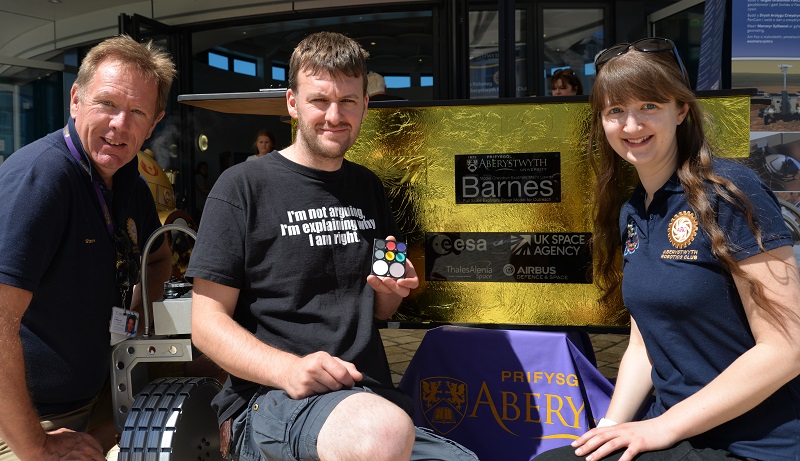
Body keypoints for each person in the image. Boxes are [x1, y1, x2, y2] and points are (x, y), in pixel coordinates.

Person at [187, 31, 479, 461]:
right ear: (292, 103)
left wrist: (388, 294)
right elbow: (206, 324)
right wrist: (287, 369)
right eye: (319, 100)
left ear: (365, 105)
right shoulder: (244, 186)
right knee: (379, 433)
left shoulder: (368, 187)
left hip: (365, 393)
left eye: (348, 101)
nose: (334, 115)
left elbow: (378, 311)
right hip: (270, 401)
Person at [534, 37, 800, 461]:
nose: (632, 125)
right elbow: (644, 344)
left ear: (681, 110)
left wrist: (661, 427)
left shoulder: (729, 193)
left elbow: (787, 347)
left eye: (649, 107)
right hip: (673, 431)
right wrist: (609, 429)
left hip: (751, 442)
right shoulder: (634, 211)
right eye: (615, 111)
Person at [0, 35, 175, 460]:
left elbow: (159, 255)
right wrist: (34, 447)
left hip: (97, 405)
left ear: (154, 123)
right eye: (107, 104)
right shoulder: (43, 178)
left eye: (137, 112)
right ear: (75, 100)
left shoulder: (128, 181)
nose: (120, 124)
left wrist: (136, 324)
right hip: (26, 421)